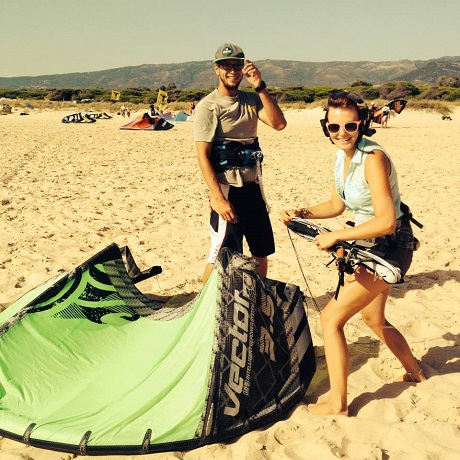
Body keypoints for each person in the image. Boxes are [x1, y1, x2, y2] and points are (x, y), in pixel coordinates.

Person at [281, 90, 426, 416]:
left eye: (350, 126)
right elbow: (337, 205)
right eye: (334, 127)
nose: (342, 133)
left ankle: (338, 404)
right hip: (369, 245)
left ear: (361, 124)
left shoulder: (373, 158)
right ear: (326, 127)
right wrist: (302, 212)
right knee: (374, 318)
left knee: (331, 319)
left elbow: (387, 221)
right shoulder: (342, 157)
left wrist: (338, 235)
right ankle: (416, 372)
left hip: (389, 247)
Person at [194, 43, 287, 284]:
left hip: (252, 187)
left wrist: (260, 86)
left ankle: (255, 300)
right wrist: (217, 197)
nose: (232, 71)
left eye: (237, 65)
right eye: (226, 66)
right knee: (220, 257)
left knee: (261, 251)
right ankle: (204, 309)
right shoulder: (208, 106)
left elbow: (279, 124)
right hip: (227, 190)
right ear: (217, 69)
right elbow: (203, 155)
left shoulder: (251, 100)